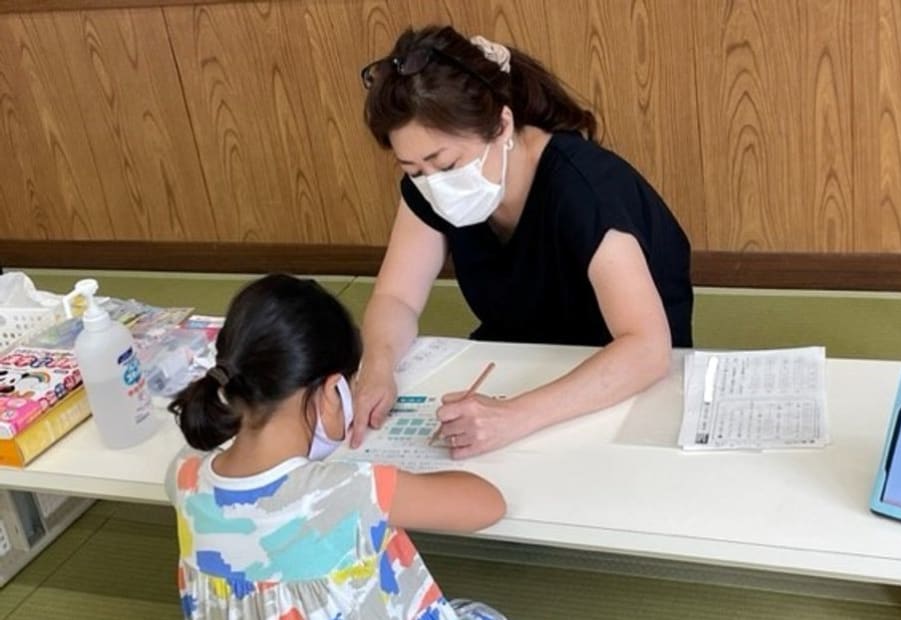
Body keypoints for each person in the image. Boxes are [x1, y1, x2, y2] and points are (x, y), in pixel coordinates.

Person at [354, 25, 694, 458]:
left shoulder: (583, 191)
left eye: (446, 164)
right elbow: (397, 297)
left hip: (622, 391)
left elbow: (646, 349)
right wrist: (378, 367)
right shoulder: (431, 190)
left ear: (502, 125)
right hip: (519, 370)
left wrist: (512, 418)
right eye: (414, 170)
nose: (434, 185)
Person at [166, 274, 507, 620]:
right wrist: (392, 479)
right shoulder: (347, 491)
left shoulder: (183, 473)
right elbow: (488, 504)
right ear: (333, 391)